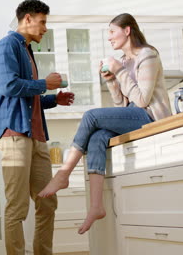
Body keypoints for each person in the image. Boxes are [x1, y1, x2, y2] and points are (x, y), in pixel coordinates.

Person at [38, 13, 172, 235]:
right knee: (97, 137)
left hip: (151, 117)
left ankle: (63, 174)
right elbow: (121, 105)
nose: (109, 37)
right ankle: (96, 206)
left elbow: (142, 101)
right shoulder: (126, 61)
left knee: (91, 116)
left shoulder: (147, 55)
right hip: (134, 114)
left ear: (127, 30)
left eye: (112, 31)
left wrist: (118, 70)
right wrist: (111, 80)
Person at [0, 0, 75, 255]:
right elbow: (9, 86)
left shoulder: (27, 51)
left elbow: (28, 99)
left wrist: (52, 99)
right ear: (27, 19)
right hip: (14, 135)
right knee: (17, 207)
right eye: (42, 22)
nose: (45, 28)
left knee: (47, 203)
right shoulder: (7, 46)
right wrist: (44, 84)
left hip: (36, 137)